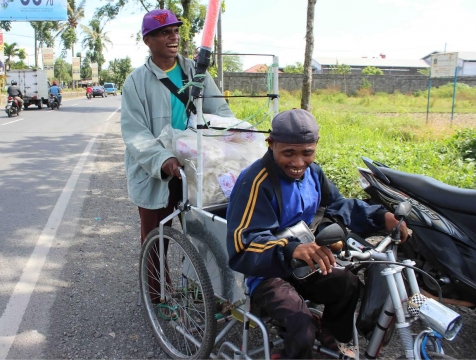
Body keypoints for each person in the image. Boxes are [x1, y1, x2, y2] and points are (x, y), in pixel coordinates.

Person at [226, 109, 408, 359]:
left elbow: (337, 206)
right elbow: (243, 246)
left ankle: (331, 334)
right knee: (301, 328)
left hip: (305, 261)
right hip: (267, 271)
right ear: (271, 144)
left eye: (307, 153)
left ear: (316, 146)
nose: (298, 163)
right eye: (288, 153)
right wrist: (288, 249)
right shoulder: (255, 182)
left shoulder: (313, 173)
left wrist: (380, 216)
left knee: (348, 284)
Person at [120, 9, 234, 299]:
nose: (173, 36)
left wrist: (231, 140)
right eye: (164, 32)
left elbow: (220, 113)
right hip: (156, 171)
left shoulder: (197, 72)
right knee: (156, 238)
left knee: (204, 233)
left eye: (175, 30)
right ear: (148, 40)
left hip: (197, 168)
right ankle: (157, 295)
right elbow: (135, 132)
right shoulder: (136, 82)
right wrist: (163, 159)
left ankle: (207, 294)